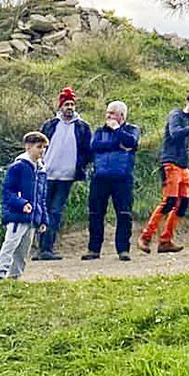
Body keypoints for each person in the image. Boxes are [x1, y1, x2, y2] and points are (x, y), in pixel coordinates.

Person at [139, 91, 189, 254]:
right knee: (169, 201)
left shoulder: (186, 119)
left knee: (182, 204)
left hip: (183, 165)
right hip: (171, 163)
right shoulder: (176, 115)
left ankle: (165, 240)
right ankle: (146, 237)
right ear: (187, 102)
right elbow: (175, 134)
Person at [35, 86, 92, 260]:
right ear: (60, 106)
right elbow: (38, 145)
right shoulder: (50, 125)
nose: (69, 107)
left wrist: (80, 167)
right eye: (66, 104)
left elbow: (88, 151)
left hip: (66, 177)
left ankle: (48, 248)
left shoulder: (82, 127)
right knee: (42, 211)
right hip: (47, 174)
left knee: (55, 211)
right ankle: (41, 248)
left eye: (72, 104)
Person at [82, 101, 141, 261]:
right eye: (107, 112)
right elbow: (94, 146)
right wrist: (116, 144)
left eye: (112, 113)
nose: (108, 116)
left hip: (122, 178)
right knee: (95, 214)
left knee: (123, 214)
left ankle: (123, 250)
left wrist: (117, 129)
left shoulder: (132, 130)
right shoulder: (100, 131)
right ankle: (93, 249)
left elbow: (131, 142)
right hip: (100, 177)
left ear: (122, 115)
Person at [0, 131, 49, 281]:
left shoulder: (42, 171)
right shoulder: (18, 167)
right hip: (17, 215)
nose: (42, 150)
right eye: (39, 146)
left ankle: (15, 277)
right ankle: (0, 274)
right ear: (28, 147)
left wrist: (43, 218)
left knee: (24, 250)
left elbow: (42, 198)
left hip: (32, 217)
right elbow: (7, 191)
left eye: (44, 147)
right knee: (10, 245)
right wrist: (22, 203)